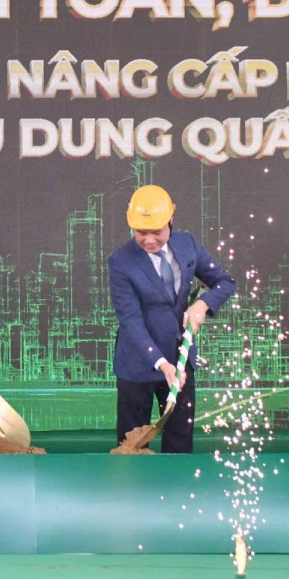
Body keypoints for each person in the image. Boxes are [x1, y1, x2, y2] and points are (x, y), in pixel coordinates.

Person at [107, 184, 236, 453]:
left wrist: (202, 304)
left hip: (180, 362)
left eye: (157, 232)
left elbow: (224, 282)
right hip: (137, 365)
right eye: (141, 232)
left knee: (179, 441)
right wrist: (161, 363)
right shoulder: (120, 262)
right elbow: (130, 319)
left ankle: (178, 480)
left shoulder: (188, 245)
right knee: (132, 445)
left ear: (170, 220)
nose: (149, 240)